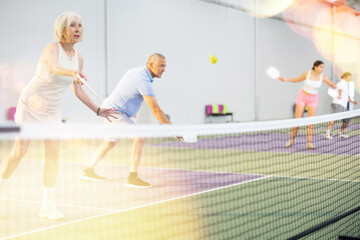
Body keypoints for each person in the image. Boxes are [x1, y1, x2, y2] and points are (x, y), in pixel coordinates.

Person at [0, 11, 118, 220]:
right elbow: (54, 68)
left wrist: (98, 110)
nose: (77, 29)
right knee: (19, 152)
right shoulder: (51, 49)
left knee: (53, 156)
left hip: (52, 112)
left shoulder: (79, 57)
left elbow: (78, 90)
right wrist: (71, 72)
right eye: (72, 25)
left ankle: (47, 206)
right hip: (30, 105)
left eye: (80, 25)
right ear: (63, 29)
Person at [81, 53, 174, 188]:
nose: (163, 69)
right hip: (115, 111)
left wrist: (130, 111)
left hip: (113, 108)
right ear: (151, 64)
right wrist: (172, 129)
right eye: (161, 65)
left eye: (165, 66)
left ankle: (88, 170)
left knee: (110, 142)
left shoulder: (137, 71)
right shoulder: (143, 80)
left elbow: (126, 91)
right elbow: (155, 110)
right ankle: (132, 178)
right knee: (139, 138)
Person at [280, 60, 336, 149]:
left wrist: (335, 86)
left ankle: (309, 143)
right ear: (315, 67)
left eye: (323, 67)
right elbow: (297, 80)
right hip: (302, 97)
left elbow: (332, 84)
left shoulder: (323, 77)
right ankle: (291, 139)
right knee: (297, 120)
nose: (322, 69)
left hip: (313, 99)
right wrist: (285, 79)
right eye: (321, 67)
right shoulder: (307, 73)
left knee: (310, 122)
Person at [325, 72, 358, 139]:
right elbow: (340, 89)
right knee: (334, 118)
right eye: (349, 77)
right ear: (345, 77)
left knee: (347, 120)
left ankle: (340, 133)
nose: (350, 79)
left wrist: (352, 101)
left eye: (350, 77)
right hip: (338, 103)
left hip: (344, 105)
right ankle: (327, 132)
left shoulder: (346, 84)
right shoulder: (342, 82)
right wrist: (339, 95)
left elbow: (346, 96)